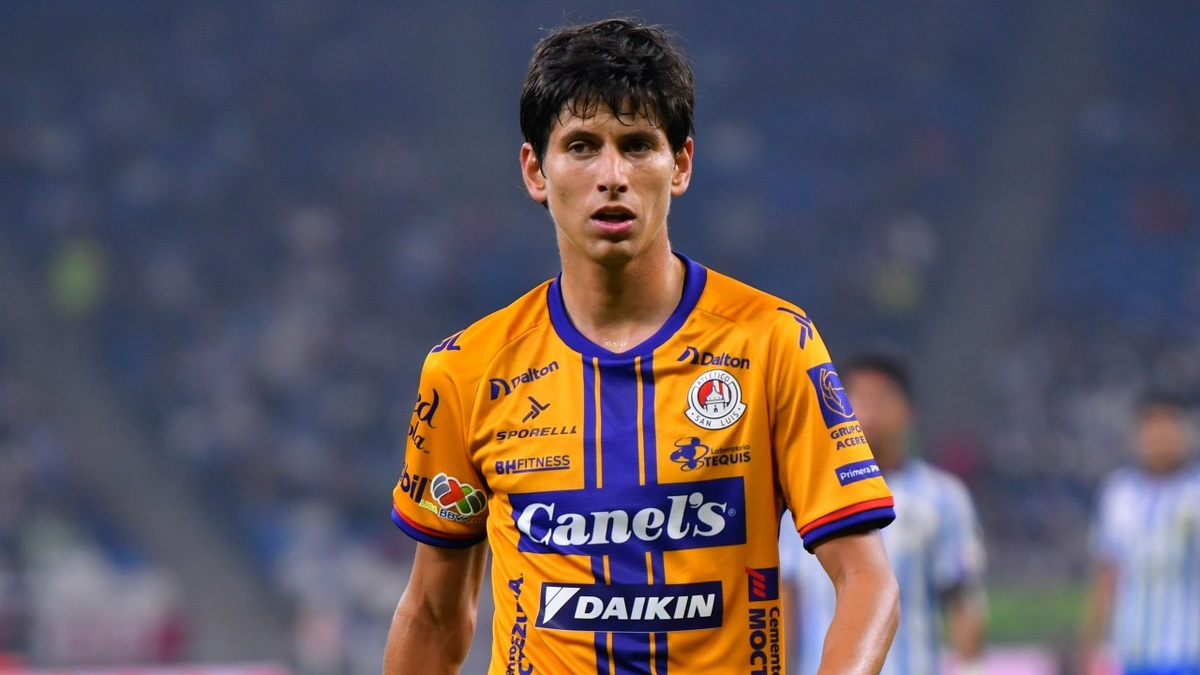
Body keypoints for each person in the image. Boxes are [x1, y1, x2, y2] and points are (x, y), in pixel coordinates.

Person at [384, 18, 899, 674]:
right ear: (535, 171)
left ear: (680, 165)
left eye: (636, 145)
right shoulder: (466, 370)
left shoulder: (772, 342)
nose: (612, 175)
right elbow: (433, 614)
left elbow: (867, 580)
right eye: (581, 146)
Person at [779, 351, 987, 675]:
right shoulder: (802, 496)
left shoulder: (943, 497)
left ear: (908, 411)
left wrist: (971, 667)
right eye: (858, 398)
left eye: (882, 399)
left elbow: (963, 598)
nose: (869, 412)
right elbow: (786, 598)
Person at [1081, 392, 1200, 675]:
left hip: (1190, 654)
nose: (1160, 436)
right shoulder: (1118, 494)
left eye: (1169, 425)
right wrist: (1090, 648)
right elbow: (1106, 577)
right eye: (1151, 425)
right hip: (1134, 656)